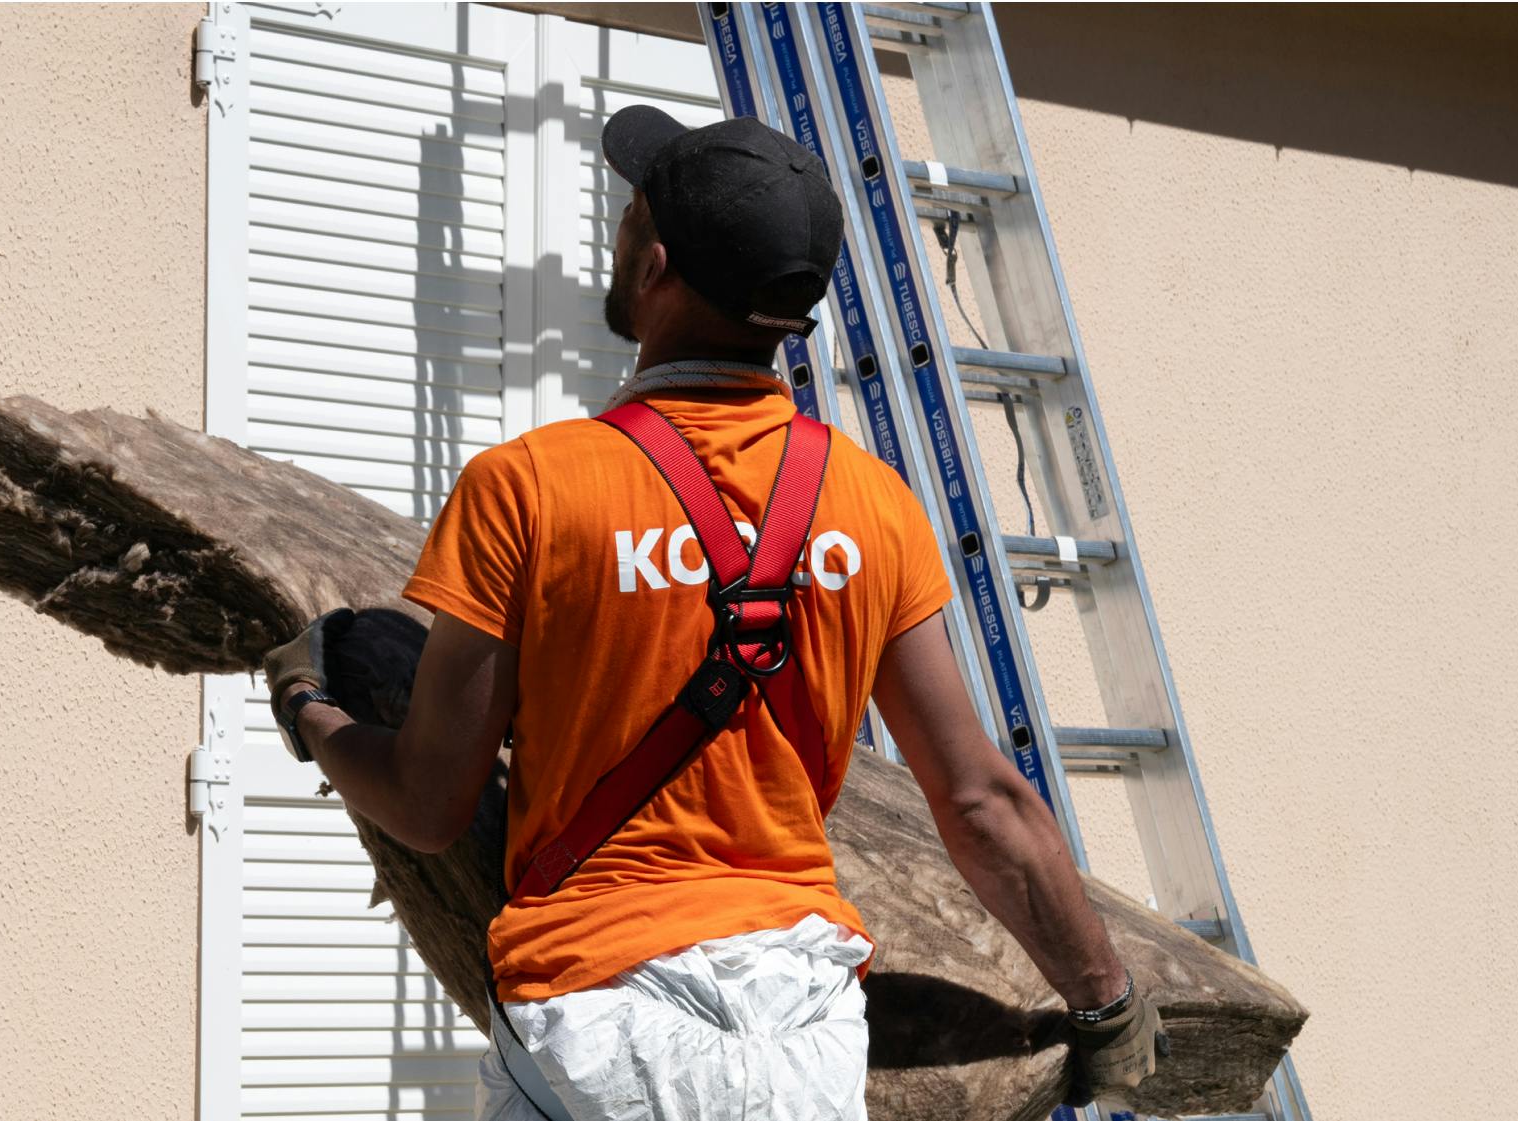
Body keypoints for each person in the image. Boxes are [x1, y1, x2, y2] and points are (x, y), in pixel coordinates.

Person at [261, 106, 1160, 1121]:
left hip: (595, 1021)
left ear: (654, 268)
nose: (615, 229)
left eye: (628, 212)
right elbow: (981, 802)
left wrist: (309, 705)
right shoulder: (873, 505)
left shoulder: (531, 487)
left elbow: (428, 805)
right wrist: (1104, 1002)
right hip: (804, 1038)